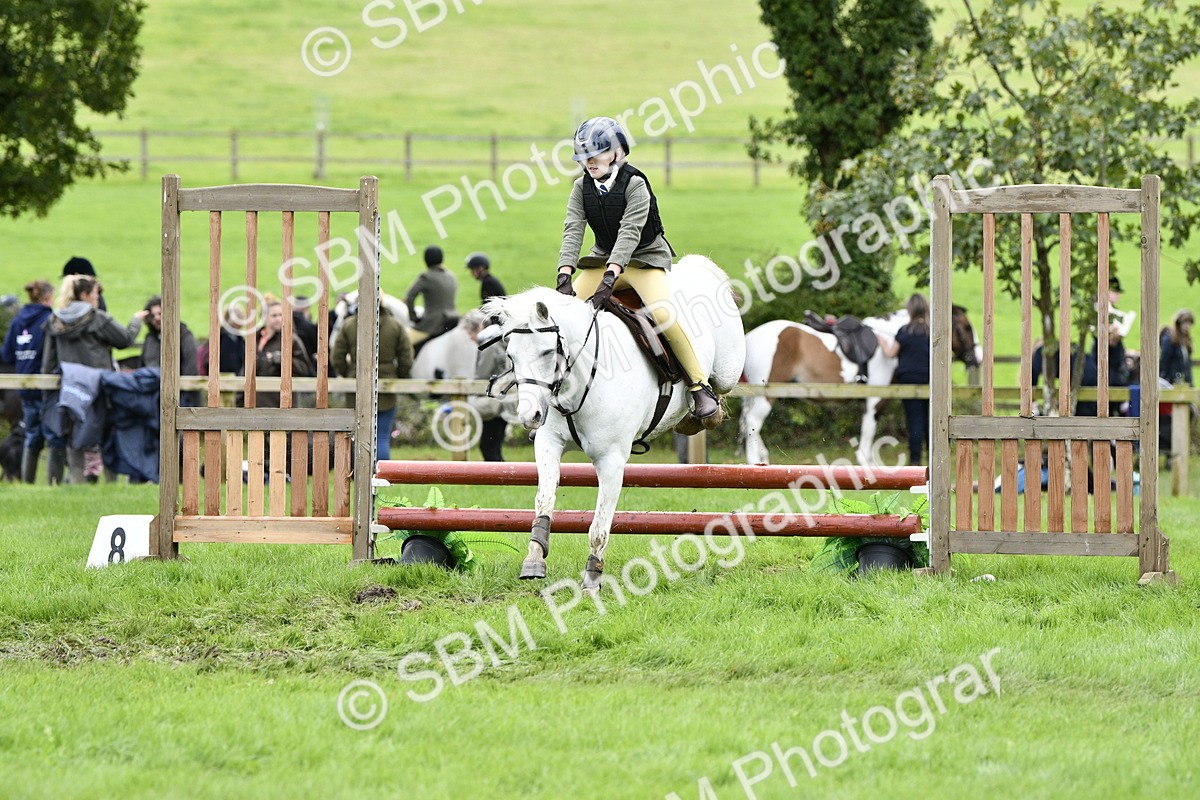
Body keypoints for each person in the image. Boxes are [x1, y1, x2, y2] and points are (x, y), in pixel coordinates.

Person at [555, 116, 720, 426]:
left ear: (617, 153)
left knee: (662, 316)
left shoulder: (635, 184)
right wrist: (564, 273)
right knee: (563, 315)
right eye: (583, 157)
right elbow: (573, 229)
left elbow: (630, 233)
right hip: (603, 260)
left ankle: (700, 386)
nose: (589, 162)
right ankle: (558, 395)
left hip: (644, 261)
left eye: (596, 155)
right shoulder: (581, 187)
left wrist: (610, 277)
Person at [41, 276, 147, 483]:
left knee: (74, 434)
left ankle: (76, 479)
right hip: (99, 385)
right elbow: (124, 339)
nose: (98, 298)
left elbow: (48, 360)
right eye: (96, 293)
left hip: (71, 387)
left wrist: (49, 390)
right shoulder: (97, 318)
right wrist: (136, 320)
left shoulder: (55, 319)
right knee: (107, 431)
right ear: (85, 295)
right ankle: (111, 482)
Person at [332, 299, 412, 459]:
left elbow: (337, 356)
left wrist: (348, 373)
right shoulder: (395, 325)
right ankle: (380, 476)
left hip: (356, 382)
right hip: (387, 384)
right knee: (381, 436)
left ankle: (356, 476)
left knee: (356, 435)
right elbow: (406, 358)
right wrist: (399, 375)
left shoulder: (349, 324)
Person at [0, 280, 55, 483]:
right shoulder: (49, 319)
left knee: (31, 435)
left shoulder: (17, 320)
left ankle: (28, 481)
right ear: (48, 297)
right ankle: (53, 482)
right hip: (47, 387)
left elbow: (6, 354)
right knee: (52, 435)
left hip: (23, 388)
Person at [878, 293, 930, 466]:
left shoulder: (905, 331)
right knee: (931, 421)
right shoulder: (933, 331)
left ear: (910, 310)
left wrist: (883, 341)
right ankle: (934, 460)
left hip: (908, 380)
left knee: (914, 420)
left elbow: (891, 353)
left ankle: (915, 462)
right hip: (930, 381)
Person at [240, 297, 312, 408]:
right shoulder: (254, 339)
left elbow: (304, 368)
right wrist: (240, 398)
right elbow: (245, 370)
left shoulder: (291, 340)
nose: (278, 319)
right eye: (274, 315)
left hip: (281, 403)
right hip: (255, 403)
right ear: (264, 317)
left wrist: (279, 359)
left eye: (280, 315)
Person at [405, 245, 458, 347]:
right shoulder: (451, 276)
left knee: (403, 343)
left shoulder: (426, 277)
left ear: (426, 260)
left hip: (433, 324)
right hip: (453, 319)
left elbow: (410, 297)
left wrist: (414, 318)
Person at [1160, 308, 1194, 386]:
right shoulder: (1169, 339)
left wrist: (1190, 383)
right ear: (1178, 323)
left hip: (1183, 383)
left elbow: (1187, 365)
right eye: (1185, 323)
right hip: (1169, 383)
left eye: (1189, 323)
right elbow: (1164, 361)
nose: (1187, 326)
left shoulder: (1186, 341)